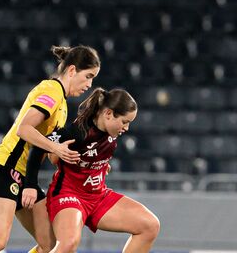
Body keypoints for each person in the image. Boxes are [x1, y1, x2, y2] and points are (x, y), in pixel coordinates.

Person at [0, 45, 101, 253]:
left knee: (50, 245)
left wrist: (85, 160)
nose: (90, 84)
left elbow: (48, 152)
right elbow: (24, 129)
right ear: (71, 70)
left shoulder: (63, 105)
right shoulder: (51, 91)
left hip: (25, 176)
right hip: (5, 169)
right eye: (88, 76)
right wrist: (56, 148)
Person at [27, 88, 160, 253]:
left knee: (150, 226)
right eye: (125, 122)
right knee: (67, 244)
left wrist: (100, 165)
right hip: (69, 195)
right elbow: (38, 147)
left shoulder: (111, 132)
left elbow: (94, 153)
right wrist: (30, 184)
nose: (126, 128)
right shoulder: (77, 131)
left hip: (98, 196)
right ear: (108, 113)